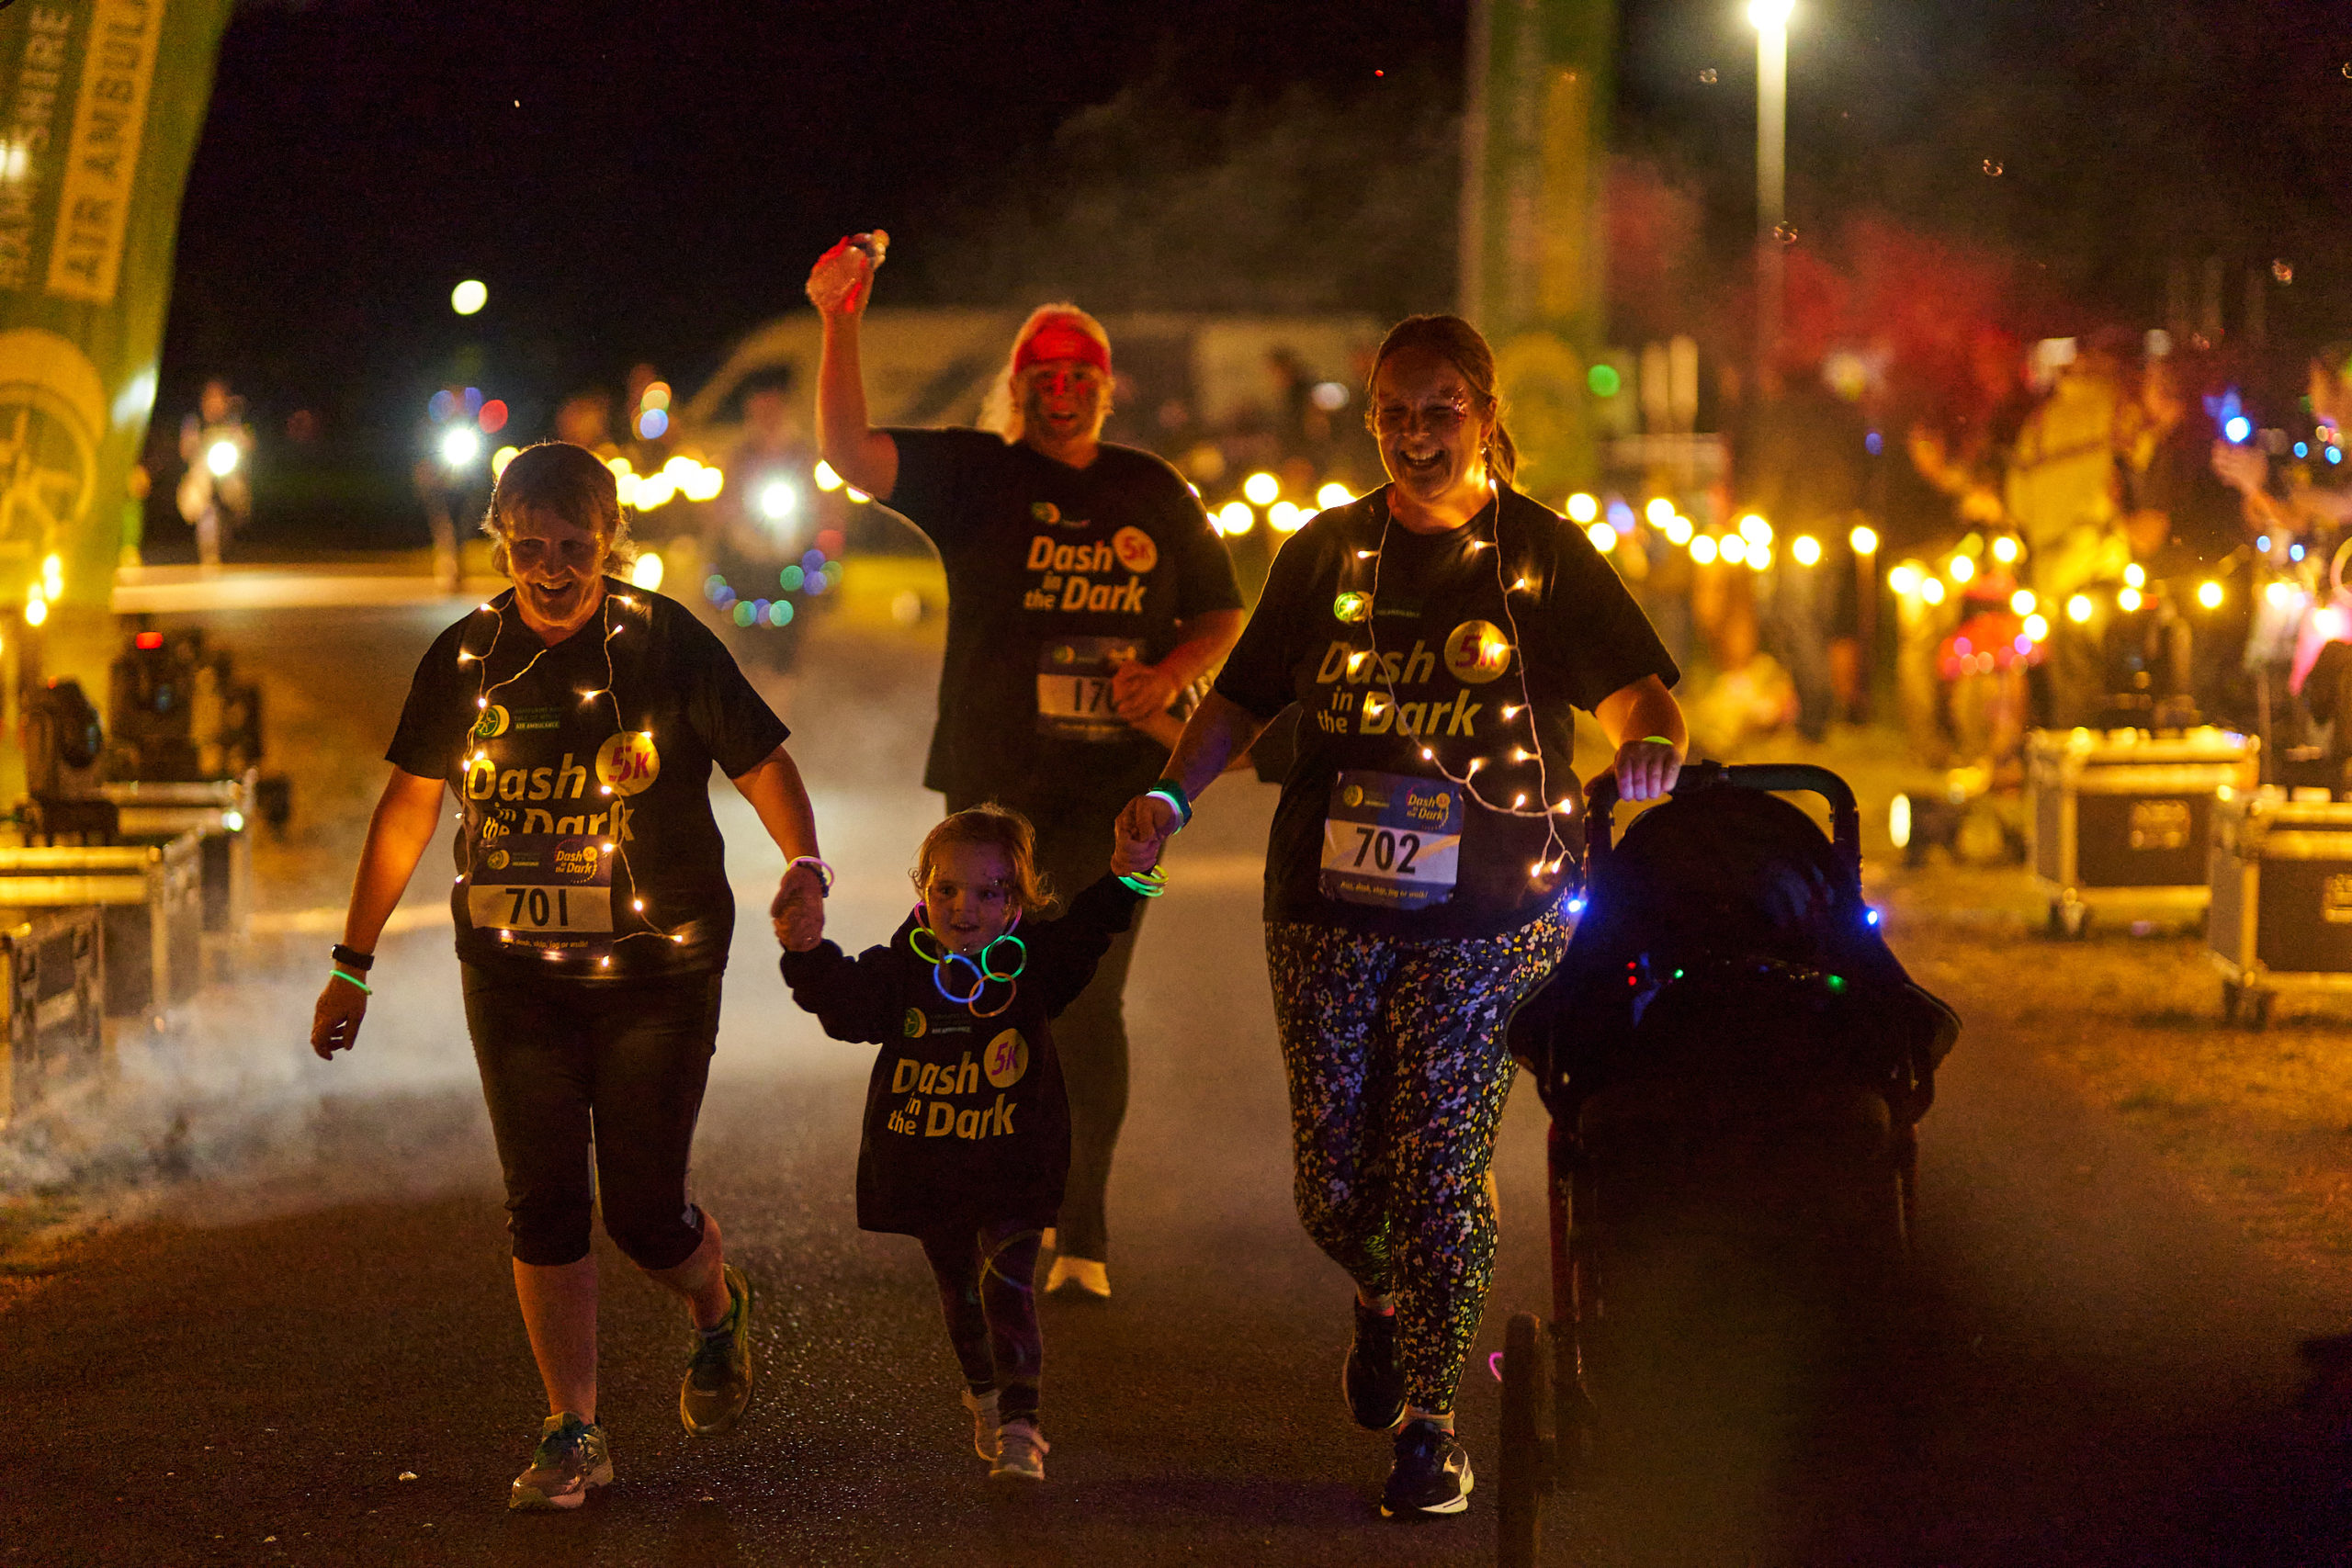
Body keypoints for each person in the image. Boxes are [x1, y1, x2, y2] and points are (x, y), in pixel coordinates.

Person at [1114, 314, 1686, 1519]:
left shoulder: (1541, 555)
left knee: (1437, 1155)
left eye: (1440, 410)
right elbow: (1243, 700)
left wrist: (1647, 751)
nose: (1416, 435)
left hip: (1492, 910)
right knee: (1334, 1185)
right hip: (1325, 902)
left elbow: (1645, 694)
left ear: (1484, 416)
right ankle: (1384, 1299)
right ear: (1370, 417)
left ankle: (1431, 1419)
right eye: (1394, 411)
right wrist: (1168, 794)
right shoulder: (1325, 553)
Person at [309, 442, 831, 1511]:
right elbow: (409, 806)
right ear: (500, 535)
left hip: (659, 966)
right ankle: (573, 1429)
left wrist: (804, 865)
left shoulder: (663, 642)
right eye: (530, 545)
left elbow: (763, 762)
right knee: (544, 1198)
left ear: (611, 539)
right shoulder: (467, 659)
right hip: (511, 970)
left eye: (575, 546)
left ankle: (714, 1309)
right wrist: (351, 964)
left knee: (643, 1213)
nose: (552, 567)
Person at [808, 234, 1246, 1299]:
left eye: (1079, 381)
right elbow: (851, 458)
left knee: (1088, 1001)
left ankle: (1081, 1232)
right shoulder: (977, 476)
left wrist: (1168, 673)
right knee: (991, 997)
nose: (1061, 397)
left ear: (1107, 390)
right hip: (994, 796)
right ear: (1019, 390)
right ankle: (998, 1202)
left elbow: (1224, 610)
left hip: (1116, 799)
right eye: (1042, 380)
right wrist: (839, 320)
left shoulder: (1151, 488)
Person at [778, 805, 1149, 1483]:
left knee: (1007, 1281)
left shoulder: (1035, 967)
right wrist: (806, 953)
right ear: (923, 890)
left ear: (1018, 900)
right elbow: (848, 1007)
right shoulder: (900, 970)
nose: (964, 907)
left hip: (1012, 1161)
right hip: (926, 1164)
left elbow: (1090, 929)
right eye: (945, 888)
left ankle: (1020, 1423)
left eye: (988, 891)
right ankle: (984, 1390)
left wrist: (1129, 871)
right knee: (961, 1292)